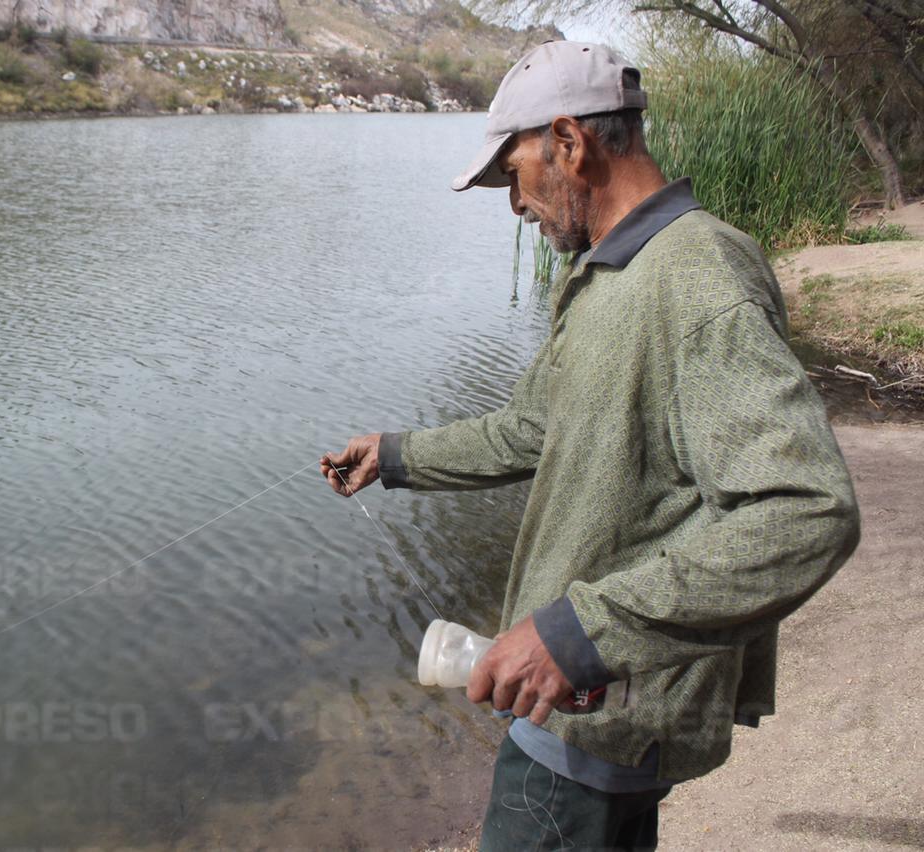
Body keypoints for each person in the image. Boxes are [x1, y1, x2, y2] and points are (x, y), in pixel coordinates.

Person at [320, 40, 860, 851]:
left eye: (513, 174)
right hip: (580, 712)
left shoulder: (698, 278)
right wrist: (395, 457)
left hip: (597, 717)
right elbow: (530, 429)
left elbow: (807, 512)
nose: (514, 204)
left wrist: (579, 636)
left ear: (568, 144)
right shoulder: (607, 272)